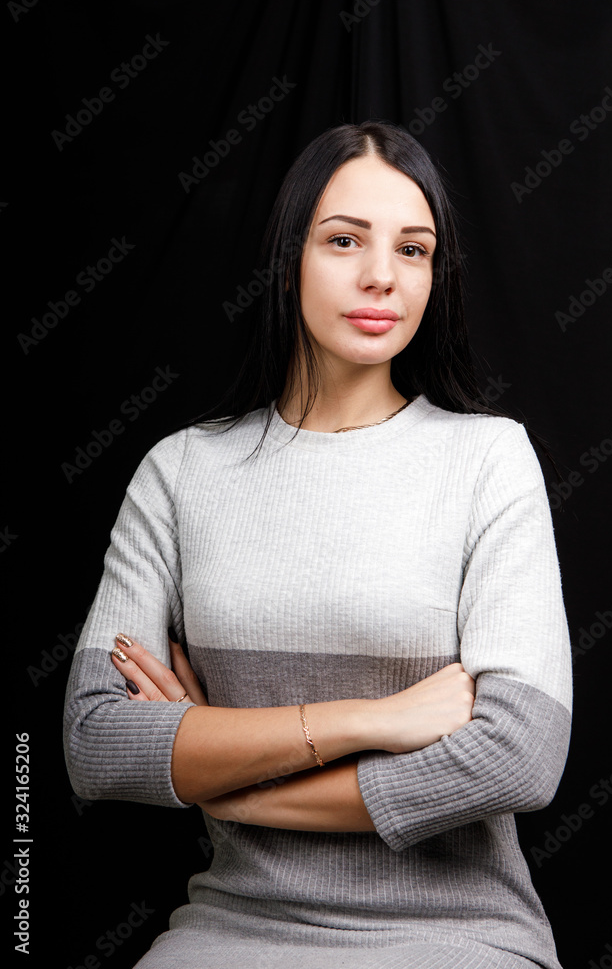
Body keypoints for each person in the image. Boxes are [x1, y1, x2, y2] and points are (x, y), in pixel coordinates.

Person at [63, 120, 573, 969]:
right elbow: (95, 741)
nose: (381, 275)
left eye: (412, 250)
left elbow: (518, 759)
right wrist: (373, 720)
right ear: (287, 256)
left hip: (455, 934)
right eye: (343, 240)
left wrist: (229, 782)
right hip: (230, 929)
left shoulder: (487, 458)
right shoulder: (182, 471)